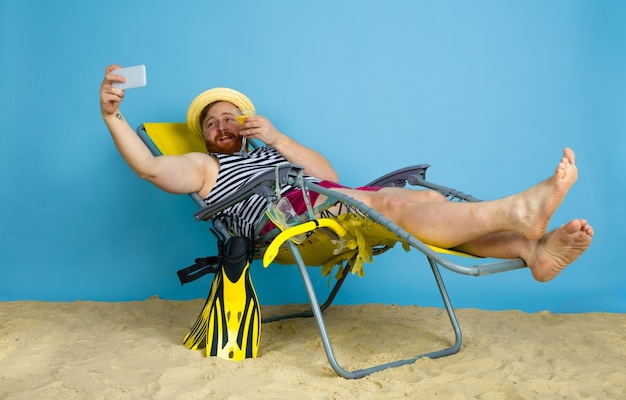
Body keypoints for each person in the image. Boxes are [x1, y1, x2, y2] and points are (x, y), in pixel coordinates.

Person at [100, 64, 593, 283]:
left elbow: (328, 174)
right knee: (391, 205)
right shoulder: (206, 165)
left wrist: (277, 138)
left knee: (426, 205)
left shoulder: (270, 149)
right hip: (289, 226)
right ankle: (521, 210)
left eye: (229, 117)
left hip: (327, 201)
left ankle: (532, 250)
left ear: (245, 126)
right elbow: (149, 168)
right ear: (204, 135)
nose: (221, 123)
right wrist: (112, 116)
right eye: (212, 121)